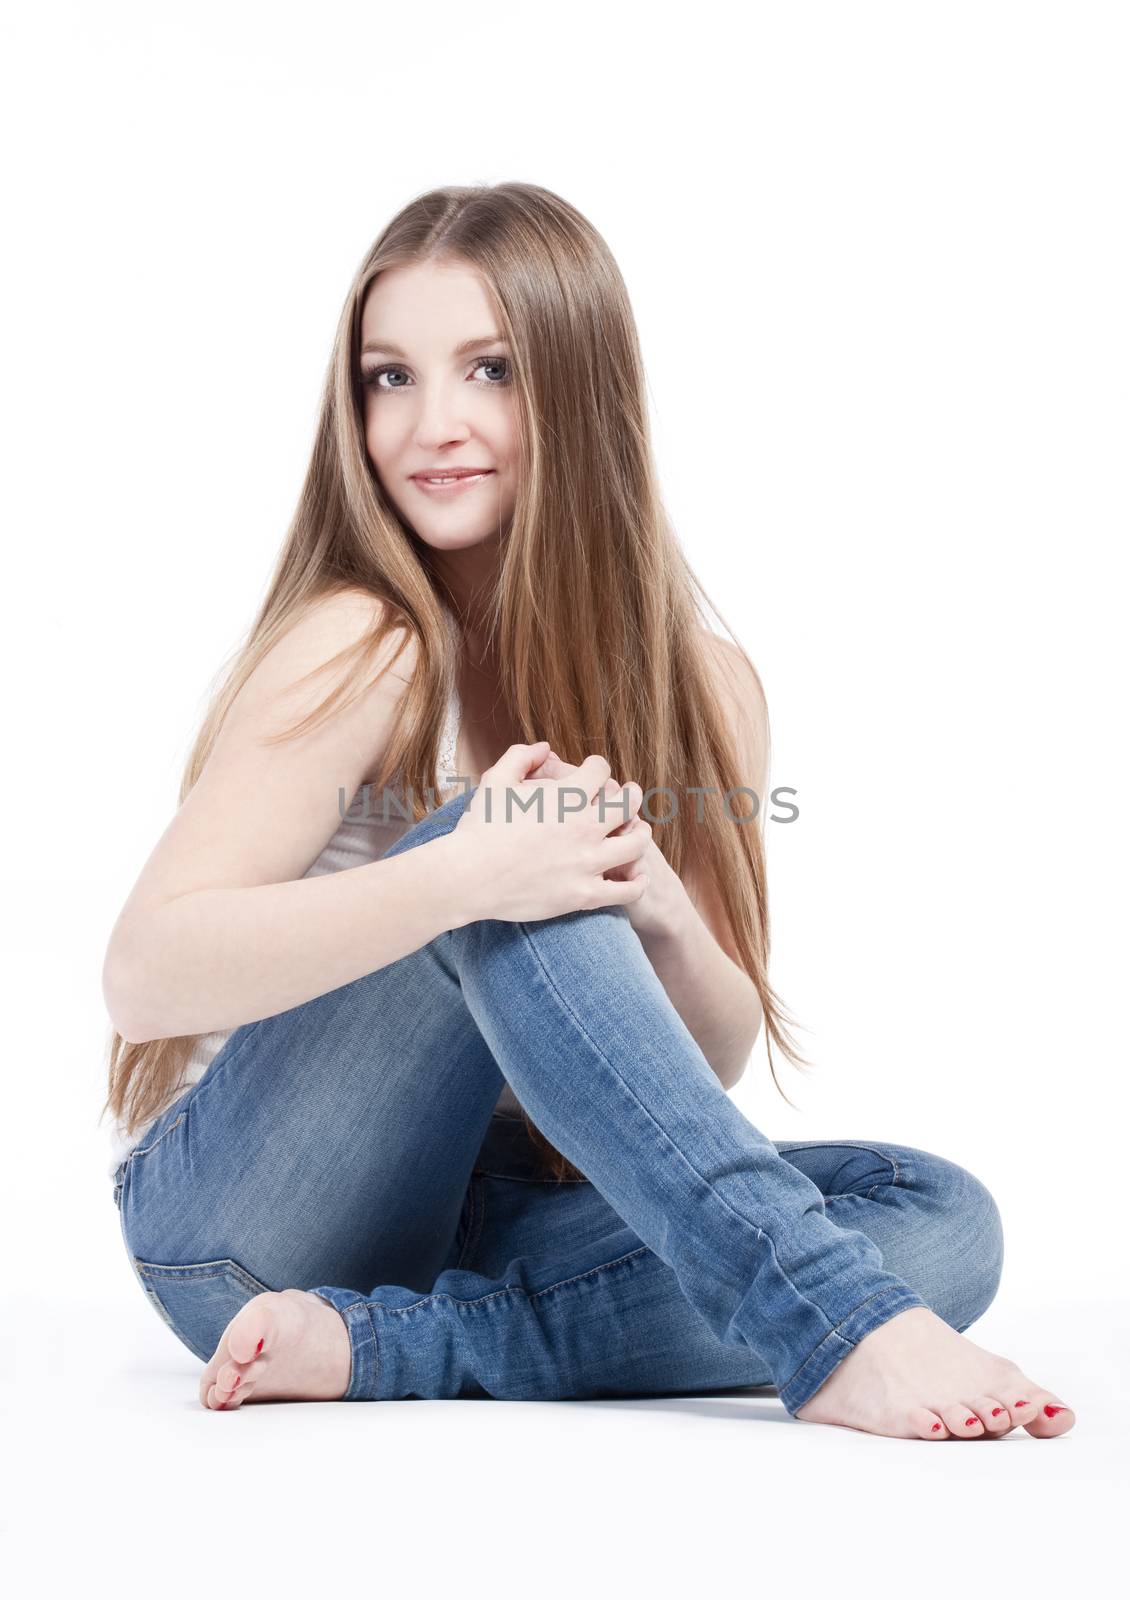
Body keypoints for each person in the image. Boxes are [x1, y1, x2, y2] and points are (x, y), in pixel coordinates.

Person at [101, 181, 1074, 1439]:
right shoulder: (369, 643)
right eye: (389, 377)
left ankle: (392, 1348)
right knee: (503, 846)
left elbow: (698, 1064)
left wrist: (655, 904)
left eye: (488, 369)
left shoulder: (704, 689)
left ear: (578, 387)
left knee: (936, 1216)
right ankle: (834, 1326)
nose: (429, 425)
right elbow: (143, 975)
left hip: (487, 1209)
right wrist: (467, 878)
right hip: (243, 1219)